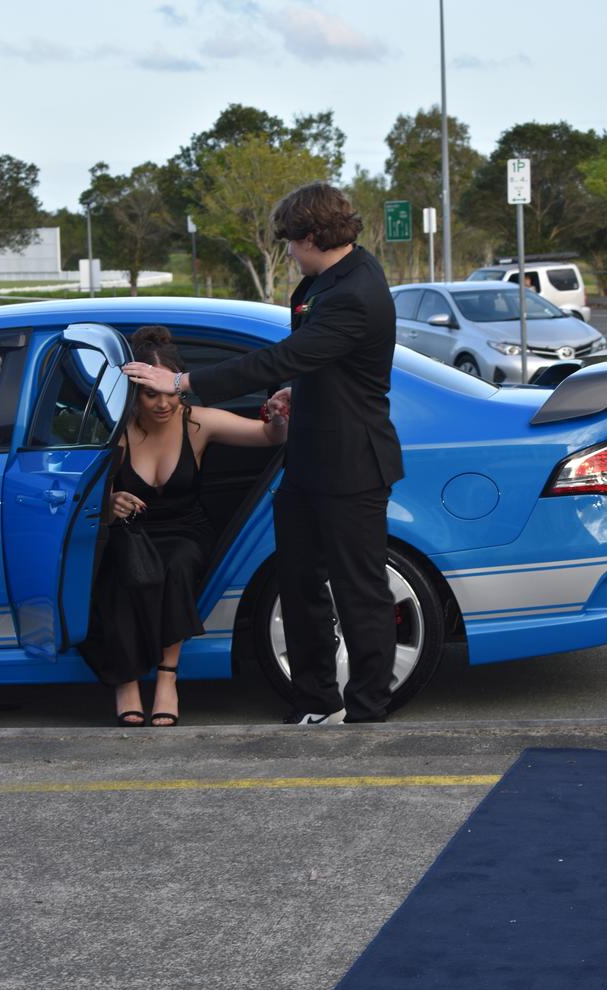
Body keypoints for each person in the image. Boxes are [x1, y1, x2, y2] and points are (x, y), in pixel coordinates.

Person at [123, 182, 403, 725]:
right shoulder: (329, 279)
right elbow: (329, 363)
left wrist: (179, 380)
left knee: (360, 593)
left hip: (352, 465)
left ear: (314, 235)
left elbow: (286, 355)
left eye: (291, 242)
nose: (288, 252)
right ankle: (318, 702)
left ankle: (368, 713)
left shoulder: (354, 292)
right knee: (298, 587)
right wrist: (301, 392)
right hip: (307, 461)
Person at [80, 325, 288, 727]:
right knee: (120, 568)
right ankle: (125, 681)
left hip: (186, 531)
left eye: (171, 392)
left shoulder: (198, 423)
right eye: (150, 394)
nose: (163, 404)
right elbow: (85, 500)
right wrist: (108, 504)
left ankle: (166, 678)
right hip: (132, 534)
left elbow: (268, 437)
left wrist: (278, 416)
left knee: (177, 565)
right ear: (132, 393)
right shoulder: (115, 435)